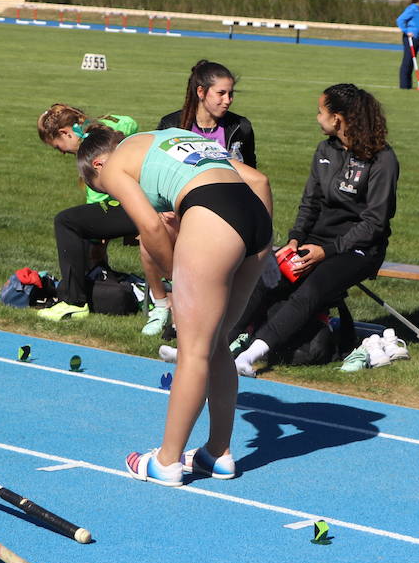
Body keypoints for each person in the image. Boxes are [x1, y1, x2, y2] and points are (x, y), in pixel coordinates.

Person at [76, 125, 272, 486]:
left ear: (99, 165)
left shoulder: (115, 165)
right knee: (216, 344)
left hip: (215, 216)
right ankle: (218, 453)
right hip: (256, 221)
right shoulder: (172, 137)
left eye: (103, 190)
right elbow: (259, 181)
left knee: (193, 351)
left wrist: (174, 279)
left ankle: (166, 461)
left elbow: (150, 227)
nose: (115, 196)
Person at [233, 83, 399, 376]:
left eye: (320, 111)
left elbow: (375, 222)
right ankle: (215, 343)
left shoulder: (382, 158)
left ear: (337, 118)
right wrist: (295, 239)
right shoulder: (325, 149)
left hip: (359, 248)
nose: (317, 117)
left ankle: (250, 356)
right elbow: (310, 203)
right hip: (316, 242)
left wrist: (328, 251)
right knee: (265, 276)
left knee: (312, 289)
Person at [35, 104, 171, 334]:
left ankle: (74, 302)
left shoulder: (92, 153)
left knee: (67, 222)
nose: (61, 152)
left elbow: (98, 201)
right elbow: (128, 121)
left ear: (66, 133)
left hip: (138, 202)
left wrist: (98, 240)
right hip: (151, 195)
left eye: (58, 146)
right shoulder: (105, 128)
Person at [157, 60, 257, 167]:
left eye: (230, 93)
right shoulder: (171, 125)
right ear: (201, 92)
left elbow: (250, 170)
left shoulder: (241, 127)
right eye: (221, 93)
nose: (228, 100)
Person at [395, 0, 419, 90]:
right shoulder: (412, 9)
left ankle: (408, 85)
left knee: (412, 62)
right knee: (408, 61)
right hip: (410, 38)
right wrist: (406, 31)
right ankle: (404, 86)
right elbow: (400, 20)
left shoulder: (418, 10)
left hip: (417, 38)